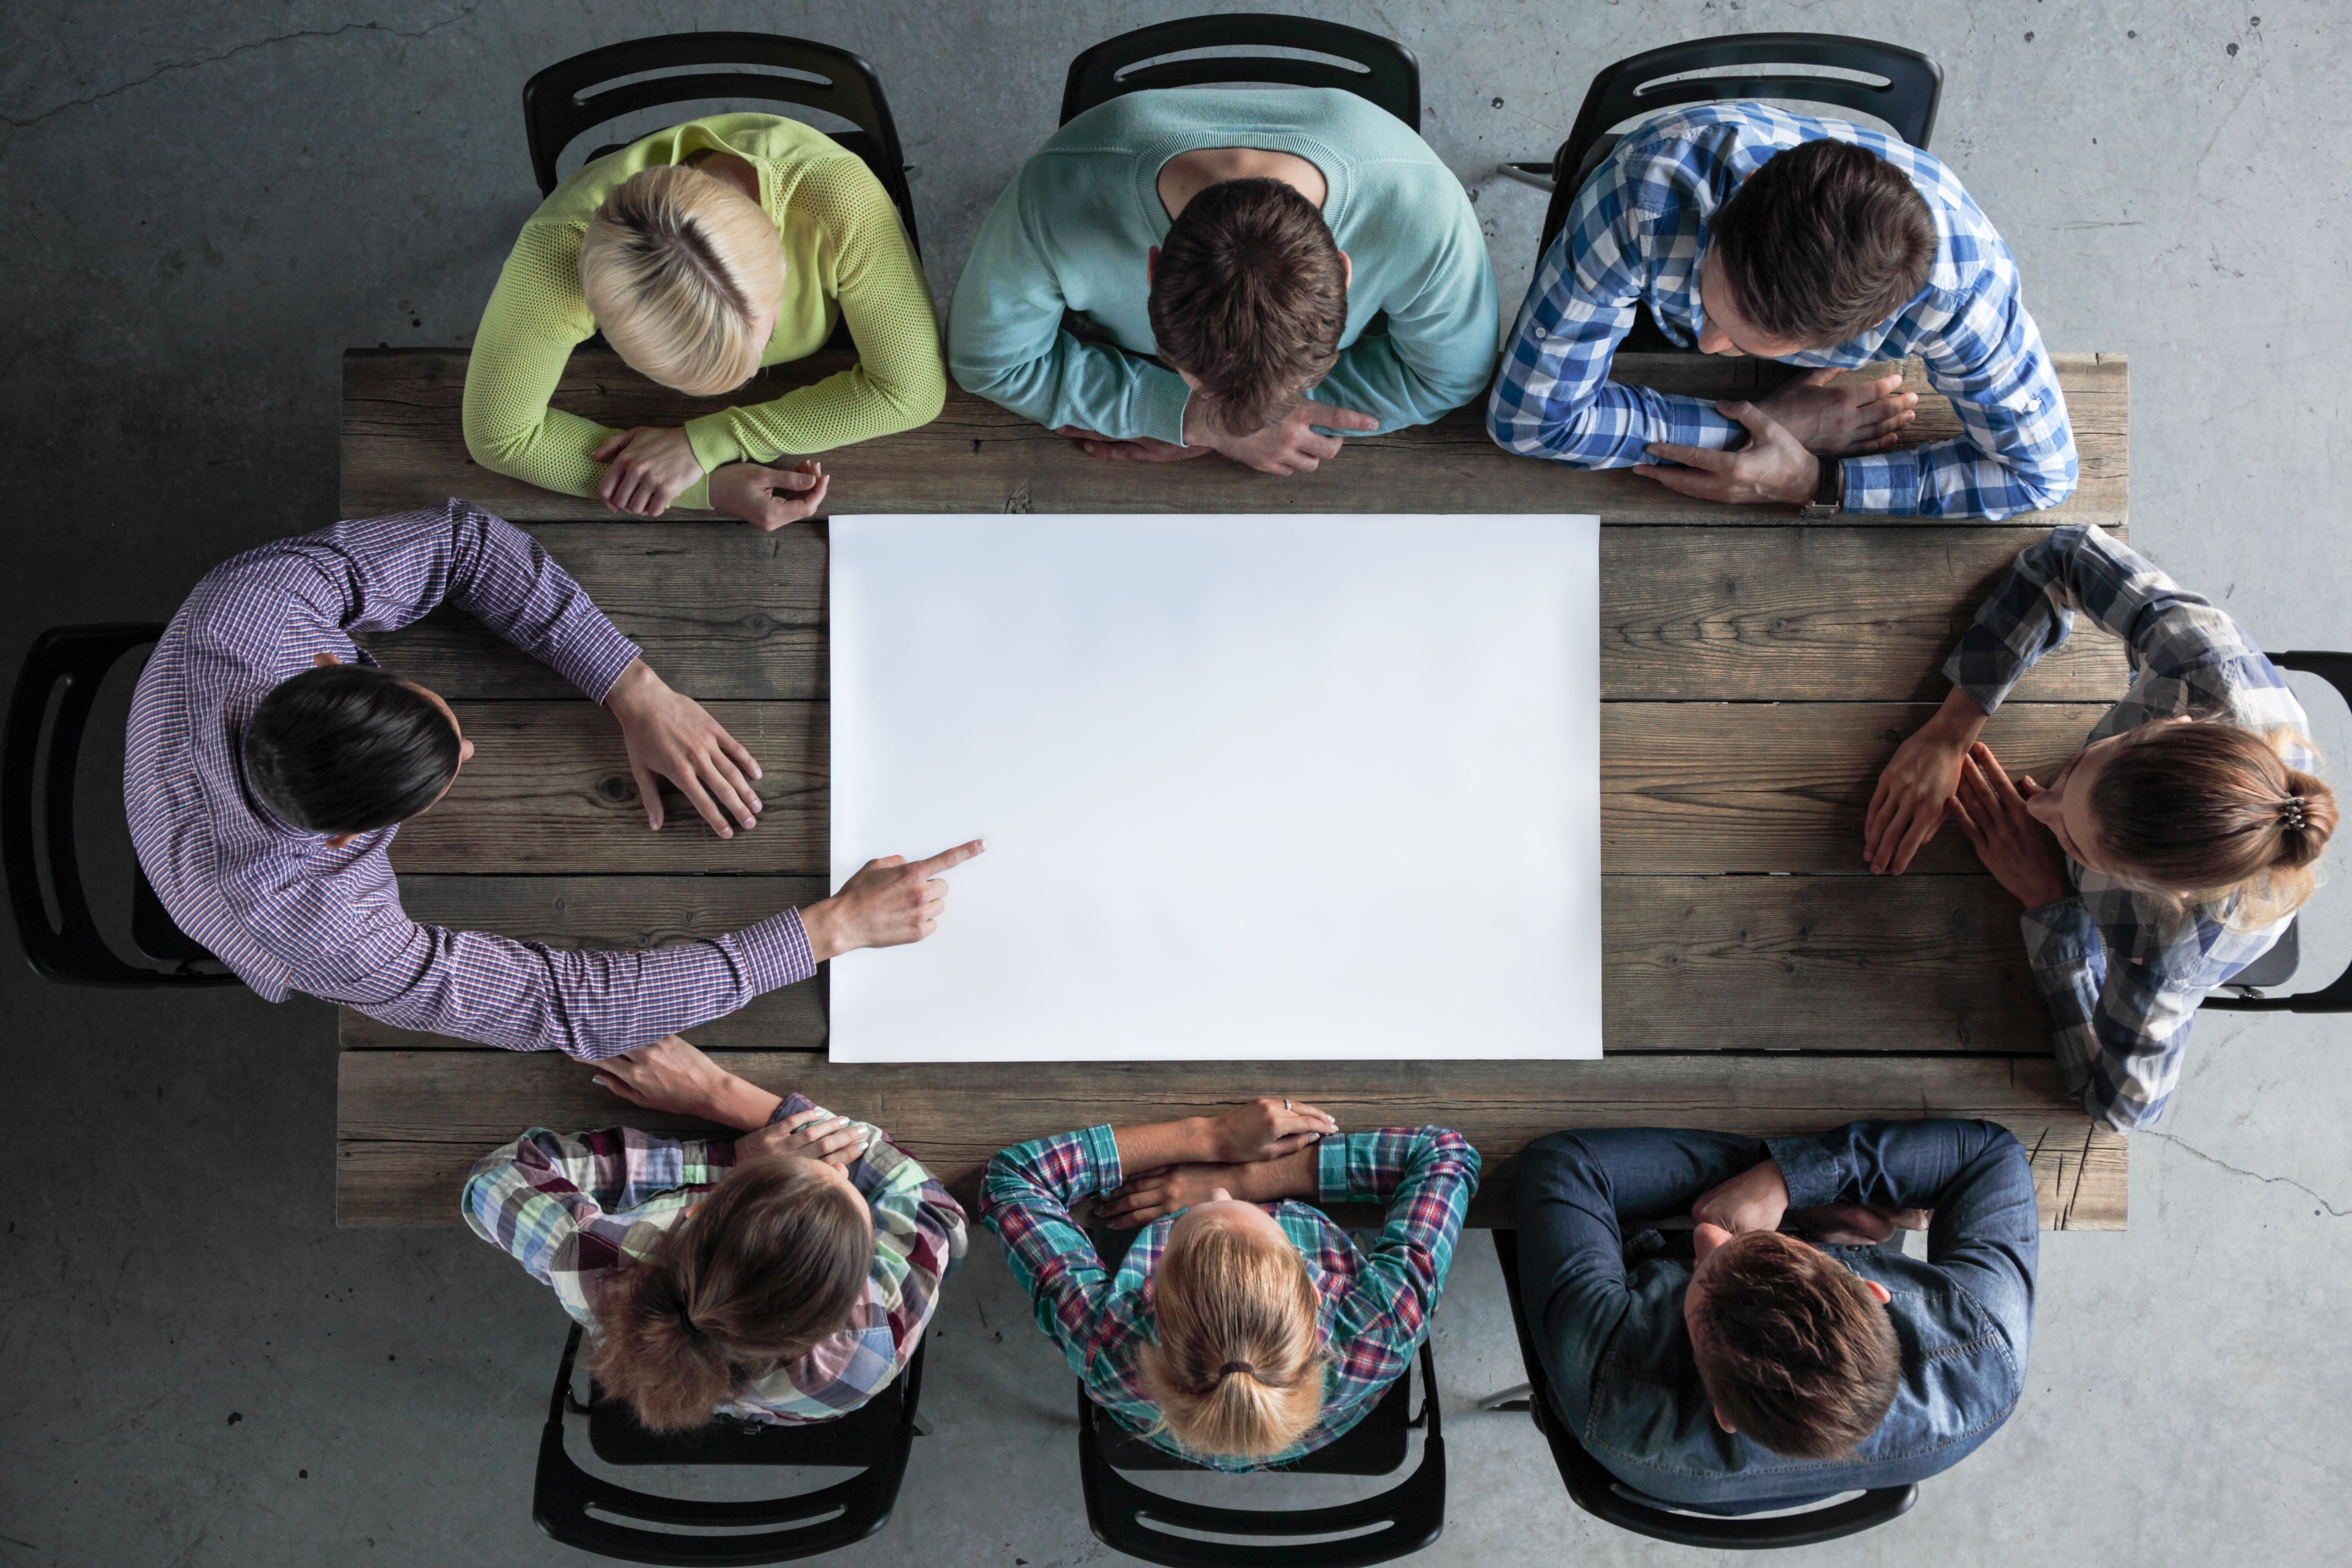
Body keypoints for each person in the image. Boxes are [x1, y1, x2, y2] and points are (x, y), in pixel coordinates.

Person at [124, 500, 981, 1055]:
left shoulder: (252, 609)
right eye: (446, 775)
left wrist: (631, 684)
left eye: (441, 721)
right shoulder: (312, 928)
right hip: (208, 899)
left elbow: (462, 543)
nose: (470, 753)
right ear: (348, 839)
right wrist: (829, 931)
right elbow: (564, 1006)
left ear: (327, 666)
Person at [1865, 525, 2337, 1131]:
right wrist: (1954, 727)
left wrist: (2052, 905)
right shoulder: (2205, 665)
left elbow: (2118, 1109)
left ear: (2161, 893)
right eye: (2081, 768)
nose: (2037, 810)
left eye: (2074, 843)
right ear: (2173, 722)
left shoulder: (2167, 949)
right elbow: (2066, 555)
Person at [1488, 102, 2077, 518]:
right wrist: (1762, 426)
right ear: (1733, 208)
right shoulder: (1642, 198)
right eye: (1709, 300)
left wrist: (1815, 481)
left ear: (1859, 337)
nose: (1708, 344)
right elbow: (1529, 421)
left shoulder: (1964, 291)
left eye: (1741, 343)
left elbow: (2042, 476)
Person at [948, 88, 1498, 477]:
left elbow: (1450, 379)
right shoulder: (1053, 196)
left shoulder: (1427, 212)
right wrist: (1196, 422)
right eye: (1200, 387)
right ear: (1153, 271)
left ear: (1347, 276)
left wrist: (1234, 423)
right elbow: (989, 361)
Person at [1515, 1119, 2037, 1511]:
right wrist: (1789, 1182)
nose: (1707, 1236)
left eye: (1695, 1279)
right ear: (1870, 1290)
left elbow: (1564, 1163)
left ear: (1725, 1415)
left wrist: (1797, 1193)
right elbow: (1994, 1153)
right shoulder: (1988, 1359)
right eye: (1778, 1248)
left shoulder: (1607, 1370)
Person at [464, 114, 946, 530]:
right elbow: (498, 436)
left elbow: (914, 393)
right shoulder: (552, 258)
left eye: (768, 336)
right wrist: (709, 487)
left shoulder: (841, 198)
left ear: (780, 260)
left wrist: (711, 441)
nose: (758, 373)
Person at [464, 1034, 965, 1431]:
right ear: (850, 1297)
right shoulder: (863, 1352)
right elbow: (936, 1210)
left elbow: (495, 1179)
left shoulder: (592, 1260)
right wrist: (739, 1102)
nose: (837, 1170)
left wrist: (728, 1148)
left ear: (697, 1214)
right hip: (795, 1404)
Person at [979, 1096, 1477, 1468]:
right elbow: (1446, 1154)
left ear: (1151, 1291)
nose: (1216, 1188)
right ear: (1308, 1279)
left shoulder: (1106, 1341)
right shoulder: (1382, 1326)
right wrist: (1255, 1182)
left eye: (1195, 1213)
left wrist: (1208, 1137)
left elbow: (1013, 1179)